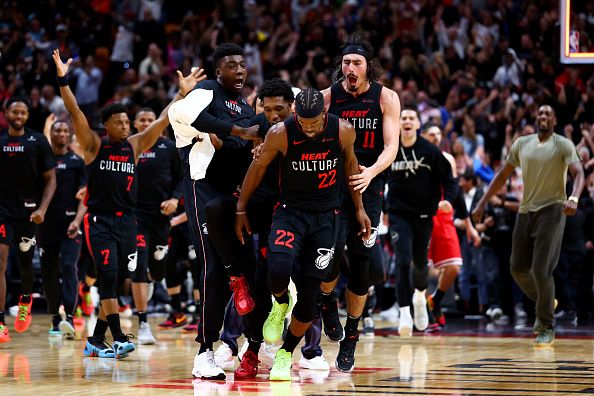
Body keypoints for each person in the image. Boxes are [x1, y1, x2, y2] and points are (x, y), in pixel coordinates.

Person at [52, 48, 205, 358]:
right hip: (99, 220)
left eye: (126, 122)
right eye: (120, 123)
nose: (125, 126)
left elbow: (162, 122)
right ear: (107, 125)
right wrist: (63, 80)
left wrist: (180, 94)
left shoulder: (134, 146)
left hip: (128, 220)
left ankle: (95, 340)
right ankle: (119, 334)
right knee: (108, 276)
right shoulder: (94, 145)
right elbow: (75, 113)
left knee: (120, 275)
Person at [235, 87, 371, 381]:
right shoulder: (280, 133)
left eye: (314, 124)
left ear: (324, 113)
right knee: (277, 269)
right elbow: (258, 169)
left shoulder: (343, 131)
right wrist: (241, 208)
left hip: (327, 218)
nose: (308, 130)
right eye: (304, 124)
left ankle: (285, 353)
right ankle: (281, 302)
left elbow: (350, 168)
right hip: (290, 213)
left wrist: (359, 208)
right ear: (296, 114)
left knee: (310, 297)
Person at [171, 43, 258, 380]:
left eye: (242, 65)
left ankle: (247, 343)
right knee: (213, 268)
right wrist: (236, 131)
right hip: (203, 188)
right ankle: (204, 351)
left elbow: (243, 147)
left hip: (234, 194)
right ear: (217, 70)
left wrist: (239, 136)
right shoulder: (206, 91)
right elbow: (186, 114)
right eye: (231, 65)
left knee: (247, 270)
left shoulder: (244, 106)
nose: (239, 71)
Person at [318, 34, 400, 372]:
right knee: (329, 256)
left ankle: (351, 335)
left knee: (363, 263)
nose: (350, 68)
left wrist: (370, 174)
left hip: (370, 183)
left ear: (368, 68)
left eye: (357, 63)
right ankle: (326, 303)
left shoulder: (386, 97)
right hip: (333, 185)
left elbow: (391, 148)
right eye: (346, 62)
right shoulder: (327, 97)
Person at [473, 105, 585, 346]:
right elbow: (502, 175)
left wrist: (573, 197)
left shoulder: (564, 145)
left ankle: (546, 325)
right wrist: (482, 202)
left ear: (554, 119)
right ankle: (546, 300)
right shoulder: (521, 144)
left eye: (547, 114)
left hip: (553, 209)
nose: (542, 117)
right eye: (540, 114)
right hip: (526, 211)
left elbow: (579, 173)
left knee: (542, 269)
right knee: (516, 267)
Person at [385, 108, 458, 337]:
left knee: (419, 263)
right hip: (398, 215)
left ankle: (419, 296)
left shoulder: (430, 151)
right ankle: (404, 312)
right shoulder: (391, 149)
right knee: (402, 260)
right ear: (399, 124)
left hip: (424, 214)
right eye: (403, 118)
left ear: (417, 124)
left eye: (411, 118)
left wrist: (447, 201)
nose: (407, 121)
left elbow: (450, 180)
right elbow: (378, 177)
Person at [0, 97, 57, 343]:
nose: (19, 116)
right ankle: (0, 322)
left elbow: (51, 179)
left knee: (25, 264)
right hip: (2, 212)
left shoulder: (38, 141)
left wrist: (42, 208)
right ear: (6, 113)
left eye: (23, 112)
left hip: (29, 212)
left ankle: (25, 298)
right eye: (15, 112)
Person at [131, 107, 183, 345]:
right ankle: (143, 323)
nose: (146, 123)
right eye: (142, 120)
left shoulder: (169, 148)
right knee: (139, 265)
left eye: (150, 119)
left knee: (157, 270)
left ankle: (152, 281)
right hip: (135, 216)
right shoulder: (131, 147)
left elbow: (183, 178)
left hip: (160, 217)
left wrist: (174, 199)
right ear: (134, 123)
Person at [421, 125, 479, 328]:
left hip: (444, 216)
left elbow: (456, 191)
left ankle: (435, 301)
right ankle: (420, 312)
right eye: (431, 133)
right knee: (422, 269)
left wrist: (469, 225)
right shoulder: (414, 156)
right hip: (422, 216)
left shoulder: (448, 159)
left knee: (454, 267)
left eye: (438, 134)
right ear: (423, 136)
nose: (435, 136)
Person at [39, 119, 87, 338]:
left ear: (70, 135)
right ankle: (55, 318)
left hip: (70, 225)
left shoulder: (77, 162)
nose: (61, 133)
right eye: (57, 130)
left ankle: (69, 314)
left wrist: (77, 221)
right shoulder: (42, 162)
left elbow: (84, 196)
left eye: (65, 130)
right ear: (52, 134)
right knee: (49, 272)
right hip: (46, 226)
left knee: (69, 266)